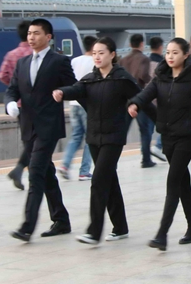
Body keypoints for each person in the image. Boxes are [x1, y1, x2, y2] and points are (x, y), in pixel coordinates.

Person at [128, 38, 191, 251]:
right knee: (182, 182)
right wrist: (135, 103)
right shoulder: (161, 77)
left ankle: (162, 234)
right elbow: (145, 94)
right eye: (168, 52)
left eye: (175, 53)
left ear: (185, 55)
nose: (170, 56)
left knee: (173, 181)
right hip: (168, 137)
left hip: (186, 137)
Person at [54, 37, 142, 245]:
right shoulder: (89, 79)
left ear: (112, 54)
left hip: (114, 137)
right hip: (94, 137)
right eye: (94, 53)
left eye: (101, 53)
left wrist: (136, 106)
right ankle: (120, 228)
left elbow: (141, 97)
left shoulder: (121, 79)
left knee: (99, 181)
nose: (97, 57)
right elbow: (76, 90)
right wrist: (62, 92)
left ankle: (94, 231)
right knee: (109, 181)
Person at [5, 18, 75, 242]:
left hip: (49, 126)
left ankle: (27, 226)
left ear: (48, 37)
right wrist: (9, 103)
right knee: (46, 173)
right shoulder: (22, 63)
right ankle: (61, 220)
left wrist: (63, 92)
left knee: (35, 172)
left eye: (36, 33)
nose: (31, 37)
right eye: (29, 33)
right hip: (28, 126)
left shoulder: (59, 61)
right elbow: (12, 90)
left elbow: (74, 86)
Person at [0, 20, 33, 191]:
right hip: (34, 104)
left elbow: (2, 75)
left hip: (18, 105)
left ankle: (23, 172)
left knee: (29, 139)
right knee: (36, 140)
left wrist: (14, 86)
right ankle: (20, 169)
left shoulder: (12, 54)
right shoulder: (34, 54)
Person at [58, 35, 96, 181]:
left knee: (76, 136)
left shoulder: (74, 61)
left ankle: (65, 165)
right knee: (90, 138)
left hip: (73, 103)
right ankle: (84, 171)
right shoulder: (95, 62)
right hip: (87, 104)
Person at [120, 33, 157, 168]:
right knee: (145, 130)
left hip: (125, 100)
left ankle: (113, 156)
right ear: (142, 44)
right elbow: (143, 75)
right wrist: (151, 82)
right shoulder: (144, 59)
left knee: (122, 130)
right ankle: (146, 160)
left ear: (130, 44)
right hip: (139, 99)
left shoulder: (123, 60)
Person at [149, 36, 166, 158]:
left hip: (147, 99)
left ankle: (146, 156)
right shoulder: (161, 64)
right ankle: (158, 145)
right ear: (160, 47)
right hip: (159, 99)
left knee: (147, 130)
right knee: (168, 124)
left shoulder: (146, 62)